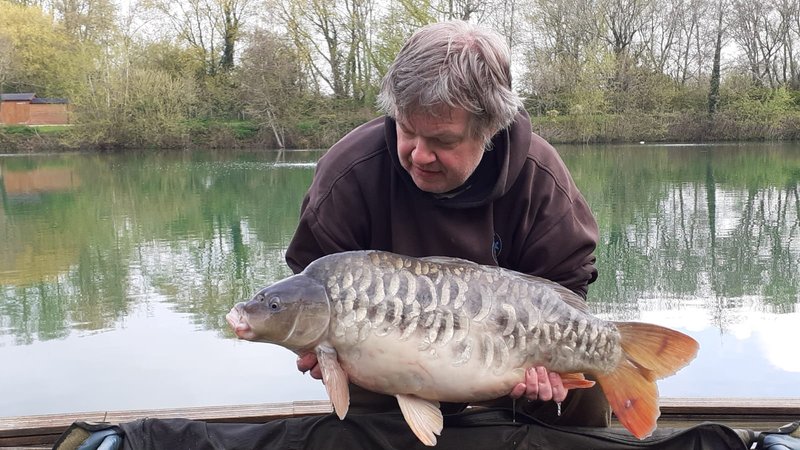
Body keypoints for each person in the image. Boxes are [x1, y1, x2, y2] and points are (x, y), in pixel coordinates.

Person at [285, 19, 609, 428]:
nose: (419, 155)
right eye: (407, 129)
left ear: (490, 129)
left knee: (588, 381)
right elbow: (309, 291)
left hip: (505, 355)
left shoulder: (540, 180)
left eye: (443, 141)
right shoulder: (346, 176)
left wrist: (549, 371)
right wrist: (320, 348)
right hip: (384, 361)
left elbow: (566, 288)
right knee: (368, 422)